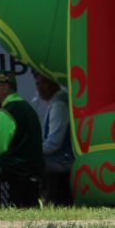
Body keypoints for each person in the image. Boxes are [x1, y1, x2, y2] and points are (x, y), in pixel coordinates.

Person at [0, 70, 43, 208]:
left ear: (6, 88)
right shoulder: (27, 107)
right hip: (34, 167)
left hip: (15, 169)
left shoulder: (7, 111)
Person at [34, 71, 73, 205]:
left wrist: (33, 152)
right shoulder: (57, 102)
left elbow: (53, 144)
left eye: (43, 83)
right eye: (37, 84)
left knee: (29, 163)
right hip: (60, 157)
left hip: (63, 160)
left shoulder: (59, 105)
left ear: (53, 83)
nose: (39, 88)